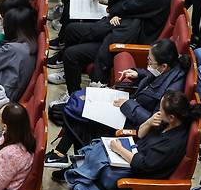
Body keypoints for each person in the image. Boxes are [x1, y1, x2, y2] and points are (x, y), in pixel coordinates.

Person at [44, 39, 189, 169]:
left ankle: (70, 160)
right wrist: (139, 73)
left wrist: (127, 104)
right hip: (131, 107)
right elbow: (155, 77)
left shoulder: (172, 90)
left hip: (135, 124)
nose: (148, 64)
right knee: (82, 109)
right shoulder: (168, 71)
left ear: (163, 66)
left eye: (150, 61)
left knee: (82, 116)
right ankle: (71, 160)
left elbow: (155, 120)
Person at [62, 91, 201, 190]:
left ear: (172, 117)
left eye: (161, 109)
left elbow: (143, 164)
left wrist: (119, 149)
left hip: (135, 183)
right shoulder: (167, 123)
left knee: (80, 188)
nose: (158, 111)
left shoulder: (172, 144)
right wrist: (148, 122)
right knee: (96, 150)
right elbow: (139, 135)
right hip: (130, 160)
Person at [50, 0, 178, 100]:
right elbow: (123, 2)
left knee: (71, 53)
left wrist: (119, 10)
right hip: (121, 28)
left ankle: (73, 96)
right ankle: (72, 87)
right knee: (72, 32)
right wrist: (120, 10)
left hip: (125, 41)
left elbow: (118, 5)